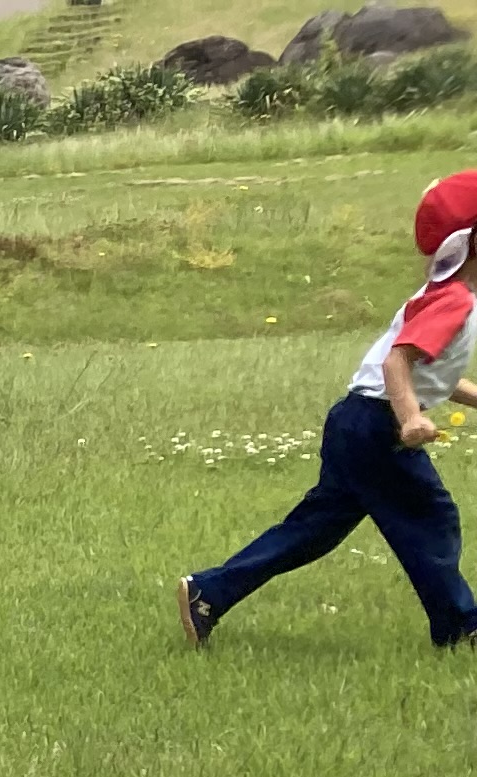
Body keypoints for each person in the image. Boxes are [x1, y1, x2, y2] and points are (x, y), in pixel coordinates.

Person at [184, 167, 477, 650]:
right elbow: (397, 362)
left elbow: (434, 376)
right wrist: (410, 418)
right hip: (377, 427)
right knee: (430, 518)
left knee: (314, 531)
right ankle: (462, 628)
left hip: (356, 422)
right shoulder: (455, 301)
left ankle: (208, 593)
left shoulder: (443, 296)